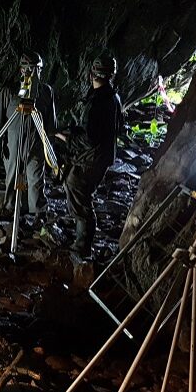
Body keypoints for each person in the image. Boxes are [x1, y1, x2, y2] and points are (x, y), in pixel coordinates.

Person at [64, 54, 123, 257]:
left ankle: (82, 247)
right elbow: (116, 127)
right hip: (104, 156)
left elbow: (90, 138)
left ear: (91, 74)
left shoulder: (98, 101)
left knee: (76, 186)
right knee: (78, 188)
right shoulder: (113, 97)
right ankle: (82, 241)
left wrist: (67, 138)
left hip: (94, 157)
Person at [0, 50, 58, 221]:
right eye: (33, 69)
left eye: (38, 69)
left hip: (36, 143)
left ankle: (38, 211)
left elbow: (51, 123)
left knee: (35, 178)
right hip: (13, 144)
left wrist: (50, 149)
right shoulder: (9, 92)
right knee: (13, 176)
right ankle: (10, 207)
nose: (36, 73)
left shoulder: (45, 92)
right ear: (22, 70)